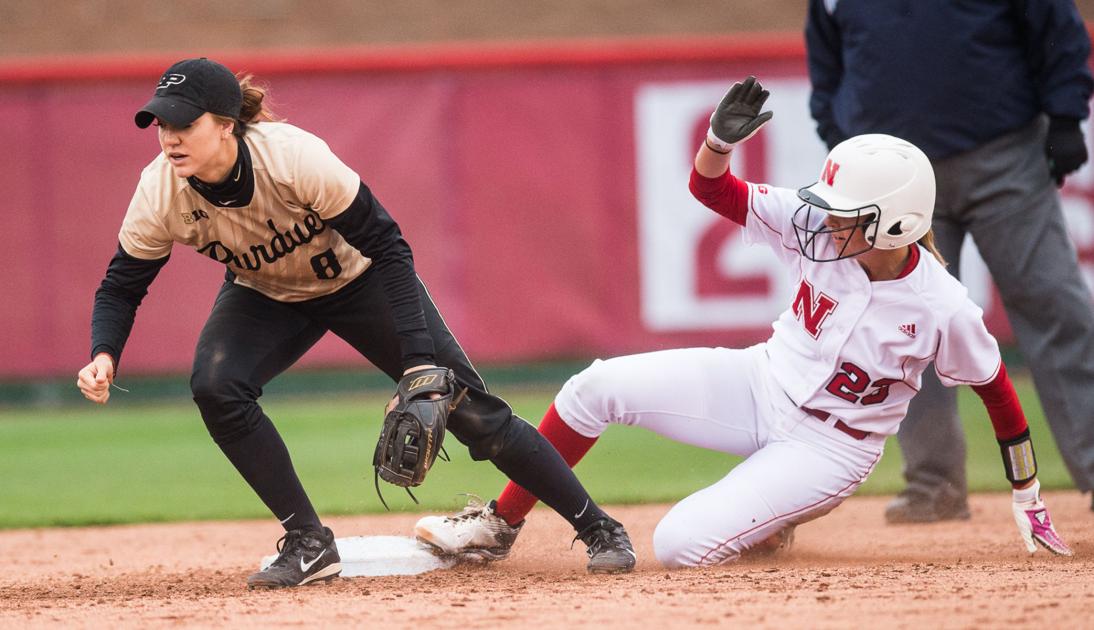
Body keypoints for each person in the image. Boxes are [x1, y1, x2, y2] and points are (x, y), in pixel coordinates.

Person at [413, 76, 1073, 567]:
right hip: (759, 381)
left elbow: (996, 390)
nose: (831, 219)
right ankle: (497, 525)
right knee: (594, 388)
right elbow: (711, 189)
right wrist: (717, 143)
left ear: (896, 224)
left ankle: (769, 520)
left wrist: (1029, 496)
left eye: (851, 213)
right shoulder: (820, 225)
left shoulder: (941, 304)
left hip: (831, 448)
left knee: (678, 547)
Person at [75, 57, 636, 588]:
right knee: (216, 387)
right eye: (159, 124)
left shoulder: (292, 158)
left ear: (225, 125)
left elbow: (389, 246)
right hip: (265, 293)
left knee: (471, 413)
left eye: (181, 123)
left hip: (361, 278)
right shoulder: (160, 191)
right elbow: (122, 284)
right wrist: (105, 352)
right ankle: (308, 542)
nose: (167, 136)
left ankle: (599, 528)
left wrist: (418, 362)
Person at [806, 0, 1094, 523]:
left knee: (1055, 306)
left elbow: (1055, 27)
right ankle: (933, 484)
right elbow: (827, 64)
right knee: (905, 323)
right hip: (889, 180)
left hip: (1002, 155)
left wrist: (1067, 113)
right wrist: (838, 134)